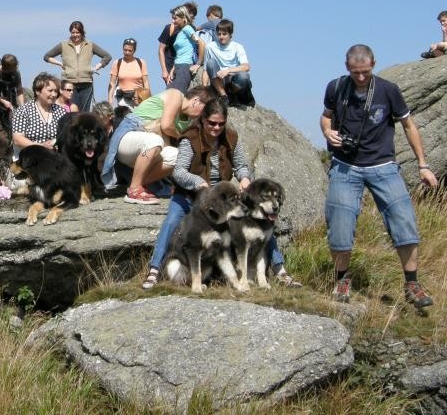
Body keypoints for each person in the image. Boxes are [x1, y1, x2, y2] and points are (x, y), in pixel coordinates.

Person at [321, 44, 438, 307]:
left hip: (383, 166)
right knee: (339, 224)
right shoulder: (336, 87)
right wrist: (328, 132)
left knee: (404, 221)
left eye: (365, 71)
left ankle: (412, 284)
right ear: (346, 67)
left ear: (373, 64)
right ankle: (341, 279)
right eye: (355, 72)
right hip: (344, 166)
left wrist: (423, 165)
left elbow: (409, 125)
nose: (360, 77)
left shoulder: (388, 90)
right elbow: (326, 117)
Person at [141, 98, 299, 289]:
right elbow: (179, 171)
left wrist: (244, 178)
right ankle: (154, 270)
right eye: (212, 123)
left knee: (264, 218)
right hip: (190, 196)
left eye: (221, 124)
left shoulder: (231, 137)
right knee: (173, 220)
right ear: (203, 119)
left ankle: (280, 270)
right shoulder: (189, 138)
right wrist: (198, 182)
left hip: (223, 199)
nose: (216, 127)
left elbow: (241, 165)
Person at [101, 86, 217, 205]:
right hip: (128, 137)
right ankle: (134, 190)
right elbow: (166, 126)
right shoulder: (176, 95)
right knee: (155, 141)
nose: (202, 115)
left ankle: (139, 182)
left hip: (148, 152)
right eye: (204, 110)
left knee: (178, 156)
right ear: (196, 101)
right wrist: (180, 136)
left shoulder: (187, 121)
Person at [43, 21, 111, 112]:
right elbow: (47, 57)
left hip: (86, 83)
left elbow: (107, 56)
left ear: (82, 33)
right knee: (72, 110)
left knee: (84, 112)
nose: (75, 35)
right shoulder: (63, 45)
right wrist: (59, 63)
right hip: (69, 83)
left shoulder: (90, 45)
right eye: (73, 32)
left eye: (77, 32)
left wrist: (96, 67)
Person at [11, 72, 67, 157]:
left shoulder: (61, 112)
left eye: (56, 91)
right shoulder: (24, 110)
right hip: (28, 158)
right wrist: (41, 146)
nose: (54, 94)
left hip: (54, 158)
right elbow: (17, 139)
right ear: (37, 91)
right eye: (50, 91)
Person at [204, 18, 255, 107]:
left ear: (230, 35)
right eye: (219, 34)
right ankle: (224, 96)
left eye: (224, 34)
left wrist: (227, 71)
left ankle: (233, 94)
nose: (221, 37)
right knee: (210, 63)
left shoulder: (238, 47)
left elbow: (246, 67)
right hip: (219, 80)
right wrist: (204, 88)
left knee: (244, 76)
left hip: (233, 79)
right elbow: (206, 69)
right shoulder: (210, 47)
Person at [168, 4, 205, 93]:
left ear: (183, 17)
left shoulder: (188, 29)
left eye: (175, 18)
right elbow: (180, 53)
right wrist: (172, 70)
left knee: (175, 94)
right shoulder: (181, 31)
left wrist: (198, 63)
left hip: (184, 67)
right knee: (170, 93)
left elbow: (201, 43)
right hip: (178, 67)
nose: (173, 21)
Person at [0, 54, 25, 136]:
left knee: (13, 123)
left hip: (11, 97)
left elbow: (19, 91)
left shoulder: (16, 73)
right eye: (14, 67)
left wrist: (22, 106)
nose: (16, 68)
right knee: (0, 127)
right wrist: (3, 101)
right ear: (7, 67)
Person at [108, 38, 150, 109]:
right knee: (124, 119)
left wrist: (148, 98)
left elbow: (146, 82)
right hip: (122, 99)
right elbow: (112, 83)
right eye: (125, 50)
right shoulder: (117, 63)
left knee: (138, 119)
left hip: (138, 99)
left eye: (130, 51)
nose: (127, 52)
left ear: (134, 51)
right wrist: (110, 99)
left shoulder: (141, 62)